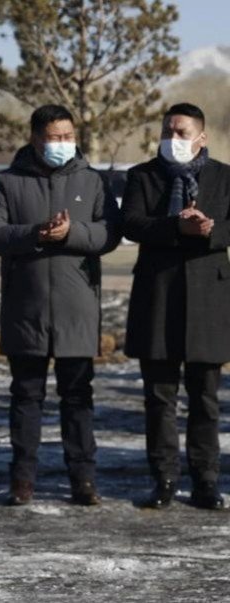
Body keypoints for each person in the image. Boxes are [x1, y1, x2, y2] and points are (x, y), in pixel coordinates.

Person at [0, 104, 121, 507]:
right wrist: (36, 233)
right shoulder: (8, 181)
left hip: (78, 308)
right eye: (54, 137)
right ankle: (22, 479)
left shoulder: (93, 181)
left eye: (67, 136)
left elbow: (110, 233)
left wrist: (71, 233)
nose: (62, 144)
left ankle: (83, 480)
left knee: (78, 398)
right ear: (35, 138)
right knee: (26, 397)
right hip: (26, 309)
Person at [123, 102, 230, 511]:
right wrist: (175, 226)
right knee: (159, 397)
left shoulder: (224, 176)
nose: (173, 139)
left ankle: (206, 481)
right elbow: (132, 223)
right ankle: (164, 479)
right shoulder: (143, 175)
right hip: (158, 294)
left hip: (208, 297)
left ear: (201, 137)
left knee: (205, 397)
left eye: (181, 132)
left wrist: (209, 230)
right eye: (167, 131)